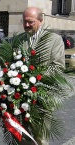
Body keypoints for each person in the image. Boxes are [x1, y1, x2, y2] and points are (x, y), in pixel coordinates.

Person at [20, 6, 65, 145]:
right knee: (23, 137)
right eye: (24, 21)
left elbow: (58, 67)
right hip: (20, 96)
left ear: (40, 20)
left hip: (42, 96)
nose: (26, 25)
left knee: (41, 138)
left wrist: (32, 76)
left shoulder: (54, 40)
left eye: (30, 22)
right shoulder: (18, 39)